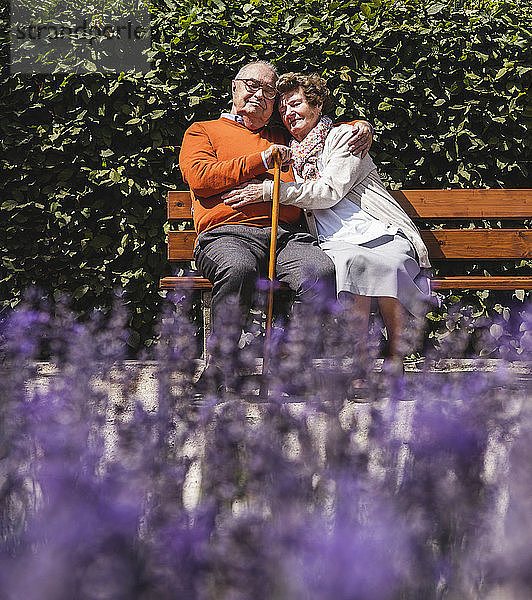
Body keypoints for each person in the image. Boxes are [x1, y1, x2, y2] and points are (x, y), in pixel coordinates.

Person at [179, 62, 373, 391]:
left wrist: (361, 125)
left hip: (286, 238)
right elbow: (201, 177)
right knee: (237, 269)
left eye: (269, 92)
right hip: (227, 234)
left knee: (320, 271)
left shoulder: (282, 135)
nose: (260, 95)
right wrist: (262, 160)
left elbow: (319, 125)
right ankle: (219, 365)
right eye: (252, 85)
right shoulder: (203, 130)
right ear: (234, 89)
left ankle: (292, 362)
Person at [222, 72, 431, 376]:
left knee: (389, 261)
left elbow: (329, 191)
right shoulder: (291, 151)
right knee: (353, 262)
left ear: (317, 105)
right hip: (333, 238)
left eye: (295, 104)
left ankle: (395, 359)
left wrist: (272, 191)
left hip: (373, 226)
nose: (288, 113)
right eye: (283, 110)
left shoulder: (344, 138)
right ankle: (361, 363)